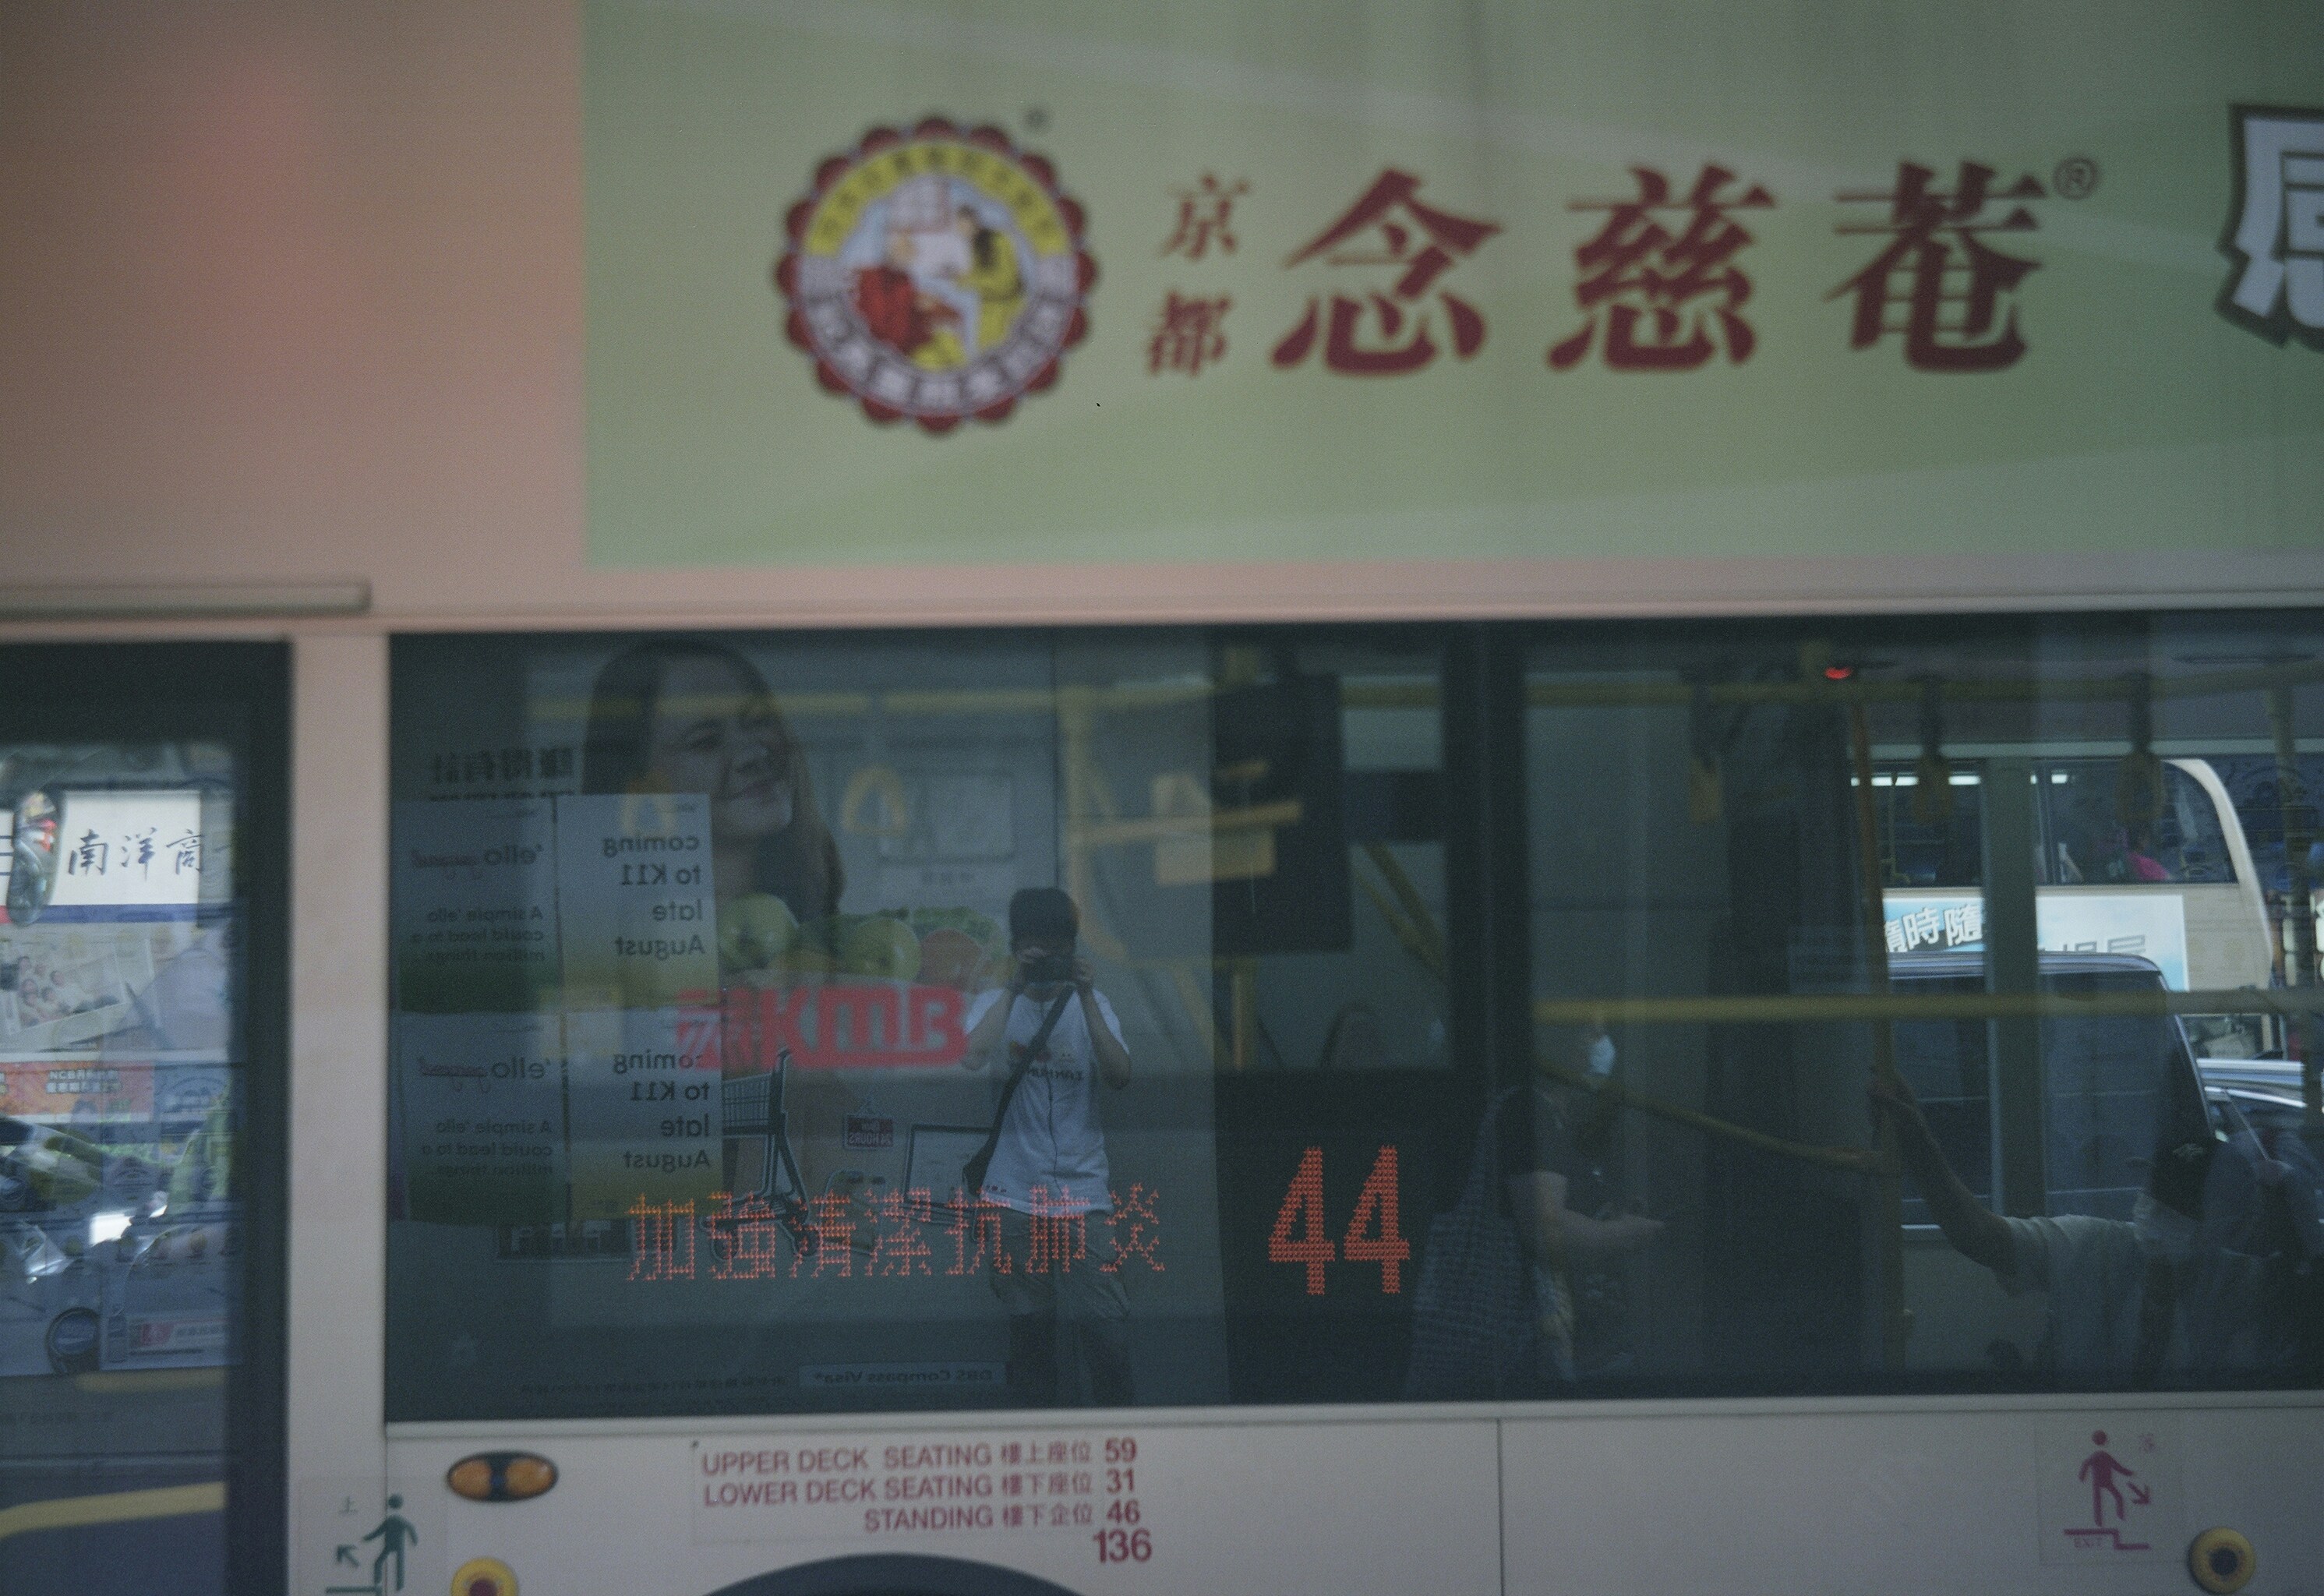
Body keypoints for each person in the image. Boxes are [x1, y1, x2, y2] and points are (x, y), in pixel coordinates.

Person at [1870, 1072, 2298, 1383]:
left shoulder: (2243, 1287)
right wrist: (1919, 1144)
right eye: (2154, 1194)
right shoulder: (2093, 1246)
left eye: (2180, 1209)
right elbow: (1979, 1236)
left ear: (2224, 1227)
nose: (2157, 1213)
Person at [961, 887, 1134, 1406]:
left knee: (1107, 1333)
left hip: (1084, 1195)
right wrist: (1014, 986)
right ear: (1017, 947)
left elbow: (1120, 1075)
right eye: (1036, 949)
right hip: (1013, 1195)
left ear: (1072, 949)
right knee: (1031, 1338)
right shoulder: (995, 1004)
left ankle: (1117, 1431)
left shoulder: (1093, 1005)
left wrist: (1085, 995)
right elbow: (972, 1056)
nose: (1047, 960)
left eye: (1058, 950)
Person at [583, 638, 842, 927]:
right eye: (706, 742)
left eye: (759, 720)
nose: (754, 754)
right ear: (638, 783)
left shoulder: (823, 927)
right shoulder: (601, 935)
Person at [1498, 1066, 1665, 1383]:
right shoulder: (1530, 1111)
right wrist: (1621, 1234)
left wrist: (1614, 1220)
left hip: (1595, 1342)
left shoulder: (1566, 1125)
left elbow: (1568, 1216)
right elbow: (1547, 1227)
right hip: (1552, 1347)